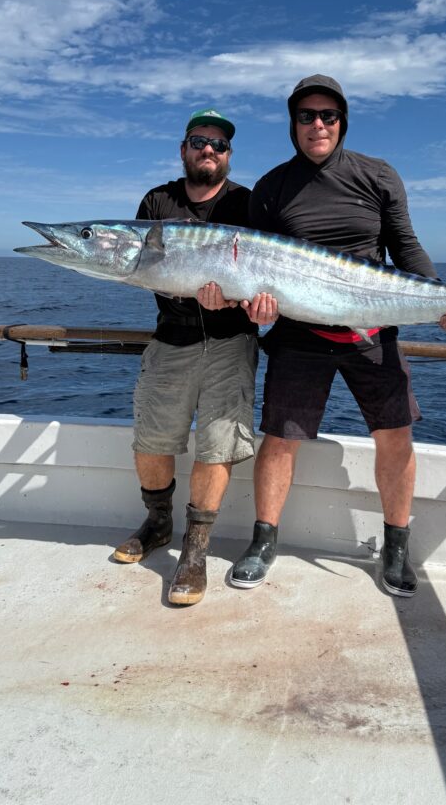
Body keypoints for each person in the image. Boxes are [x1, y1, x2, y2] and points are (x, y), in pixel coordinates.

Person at [207, 75, 446, 598]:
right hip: (299, 336)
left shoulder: (377, 175)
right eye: (306, 116)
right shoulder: (272, 187)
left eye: (328, 115)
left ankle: (396, 546)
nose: (317, 125)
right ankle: (264, 540)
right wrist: (255, 307)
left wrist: (441, 297)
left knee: (394, 437)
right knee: (280, 440)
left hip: (372, 334)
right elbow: (257, 272)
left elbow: (406, 247)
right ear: (292, 125)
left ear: (342, 121)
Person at [112, 108, 275, 606]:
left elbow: (265, 271)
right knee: (151, 442)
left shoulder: (247, 203)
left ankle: (195, 550)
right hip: (171, 339)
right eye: (199, 141)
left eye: (219, 144)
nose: (209, 150)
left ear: (229, 155)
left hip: (232, 342)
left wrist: (255, 305)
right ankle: (159, 524)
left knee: (217, 446)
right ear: (183, 148)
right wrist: (187, 296)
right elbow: (147, 269)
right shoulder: (157, 201)